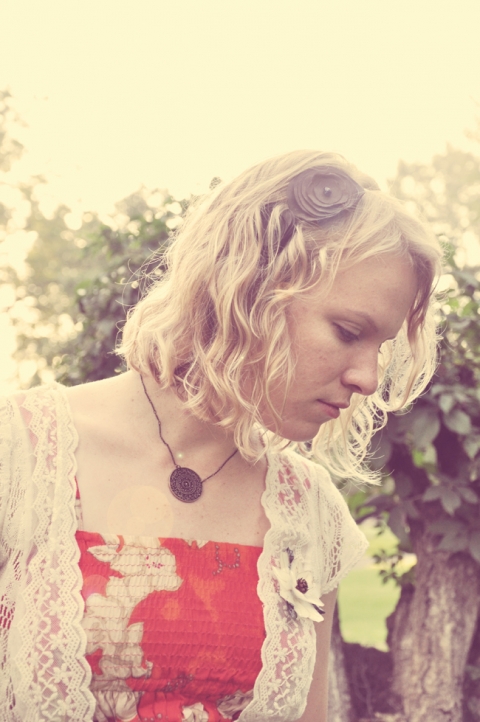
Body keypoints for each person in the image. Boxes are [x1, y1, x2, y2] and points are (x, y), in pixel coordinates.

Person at [0, 150, 441, 722]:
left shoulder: (309, 514)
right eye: (348, 331)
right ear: (249, 288)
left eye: (380, 348)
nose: (368, 378)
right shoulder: (20, 454)